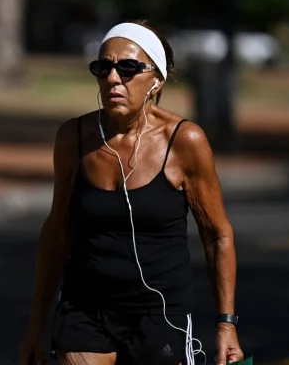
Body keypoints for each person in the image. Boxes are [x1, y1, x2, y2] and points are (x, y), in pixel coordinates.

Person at [19, 20, 245, 365]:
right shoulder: (74, 138)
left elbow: (217, 235)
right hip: (86, 308)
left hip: (159, 315)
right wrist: (36, 325)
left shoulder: (185, 141)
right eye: (103, 67)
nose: (113, 78)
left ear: (156, 79)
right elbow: (56, 233)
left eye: (127, 68)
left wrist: (226, 323)